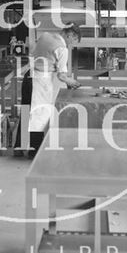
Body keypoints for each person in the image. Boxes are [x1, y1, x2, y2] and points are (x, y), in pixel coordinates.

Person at [24, 25, 82, 157]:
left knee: (26, 111)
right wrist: (72, 82)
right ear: (70, 35)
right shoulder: (62, 49)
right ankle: (35, 152)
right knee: (39, 115)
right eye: (73, 40)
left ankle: (19, 147)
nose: (71, 44)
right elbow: (61, 76)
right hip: (40, 80)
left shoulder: (45, 35)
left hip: (29, 76)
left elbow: (37, 54)